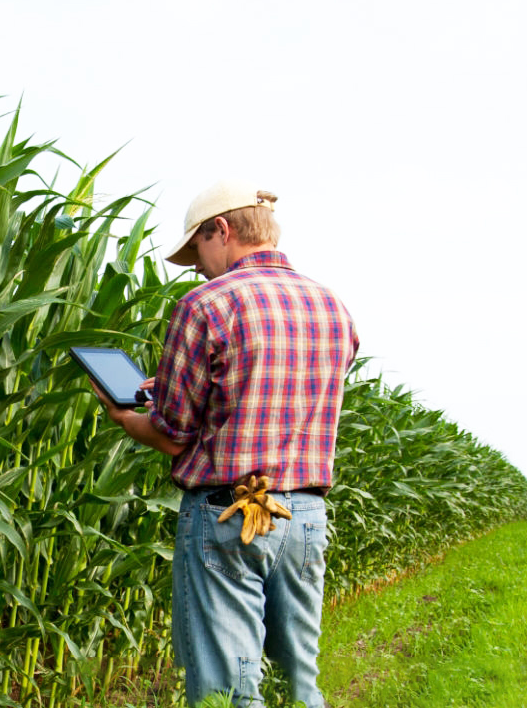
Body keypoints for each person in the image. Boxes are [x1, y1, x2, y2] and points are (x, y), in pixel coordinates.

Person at [93, 179, 358, 708]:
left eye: (197, 250)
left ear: (223, 229)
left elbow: (172, 437)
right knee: (298, 679)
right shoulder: (333, 307)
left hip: (227, 513)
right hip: (304, 513)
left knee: (230, 687)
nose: (197, 265)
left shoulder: (207, 305)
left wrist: (125, 415)